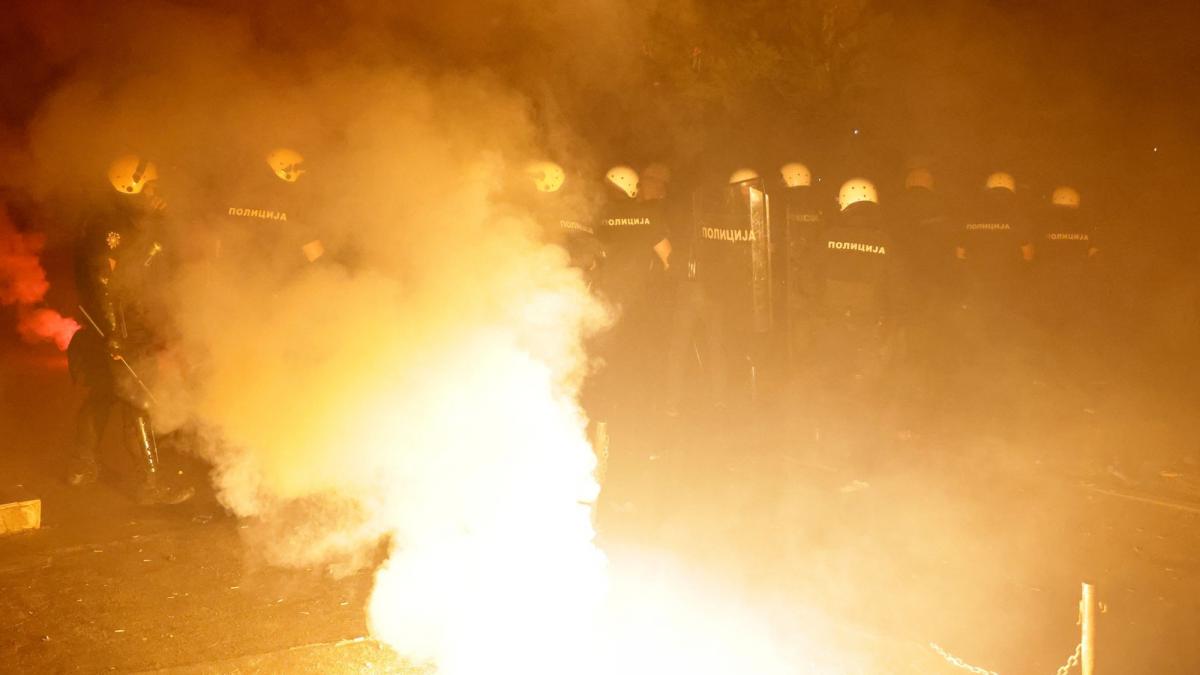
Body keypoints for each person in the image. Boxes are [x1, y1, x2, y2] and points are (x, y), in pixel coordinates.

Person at [65, 154, 193, 505]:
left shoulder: (143, 223)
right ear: (129, 187)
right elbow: (102, 282)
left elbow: (160, 267)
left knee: (104, 395)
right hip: (115, 327)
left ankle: (80, 466)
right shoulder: (108, 226)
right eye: (150, 187)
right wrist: (113, 333)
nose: (156, 192)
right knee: (137, 402)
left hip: (128, 326)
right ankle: (148, 484)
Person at [807, 178, 902, 474]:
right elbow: (899, 291)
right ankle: (863, 460)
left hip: (831, 326)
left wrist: (820, 307)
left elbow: (805, 280)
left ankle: (828, 452)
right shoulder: (886, 241)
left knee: (830, 386)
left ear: (844, 201)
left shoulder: (828, 236)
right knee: (865, 390)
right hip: (869, 330)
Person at [952, 171, 1036, 434]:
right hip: (1007, 293)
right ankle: (1002, 395)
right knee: (1005, 343)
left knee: (975, 341)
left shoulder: (971, 215)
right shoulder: (1018, 217)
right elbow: (1028, 255)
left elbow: (959, 254)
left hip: (976, 292)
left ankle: (972, 394)